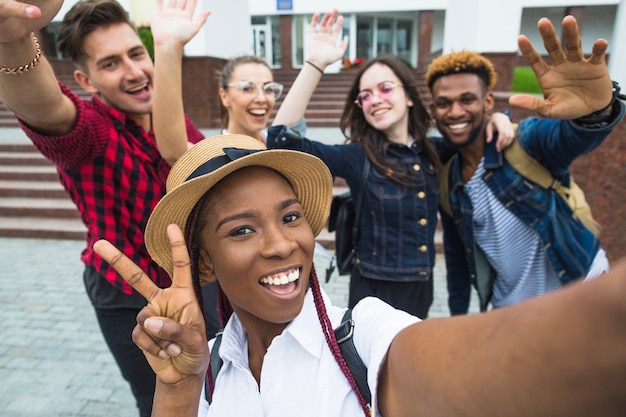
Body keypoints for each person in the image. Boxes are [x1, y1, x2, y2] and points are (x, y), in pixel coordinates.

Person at [93, 132, 626, 417]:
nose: (283, 245)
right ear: (203, 261)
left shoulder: (366, 337)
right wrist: (182, 384)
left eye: (290, 216)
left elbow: (516, 365)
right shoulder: (210, 369)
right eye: (241, 231)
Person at [0, 1, 206, 416]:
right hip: (128, 295)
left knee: (219, 386)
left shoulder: (174, 121)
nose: (132, 71)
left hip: (200, 284)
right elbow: (45, 107)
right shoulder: (91, 131)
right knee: (160, 401)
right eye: (110, 63)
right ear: (86, 80)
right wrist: (13, 38)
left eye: (135, 54)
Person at [266, 10, 514, 318]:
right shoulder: (358, 156)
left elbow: (476, 130)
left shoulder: (437, 151)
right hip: (373, 289)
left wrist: (501, 117)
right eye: (365, 96)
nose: (375, 100)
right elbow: (280, 142)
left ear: (409, 96)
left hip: (421, 287)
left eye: (385, 88)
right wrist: (315, 64)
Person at [424, 15, 625, 315]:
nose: (455, 111)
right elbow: (457, 259)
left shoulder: (524, 141)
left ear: (488, 101)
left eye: (467, 99)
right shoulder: (447, 182)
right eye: (444, 103)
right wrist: (458, 321)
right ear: (433, 110)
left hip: (581, 294)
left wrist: (595, 112)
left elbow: (570, 138)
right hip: (512, 312)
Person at [149, 0, 315, 337]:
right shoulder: (210, 158)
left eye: (269, 88)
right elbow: (171, 147)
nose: (261, 97)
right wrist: (167, 50)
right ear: (224, 96)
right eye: (247, 88)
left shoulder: (281, 149)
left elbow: (288, 121)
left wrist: (315, 63)